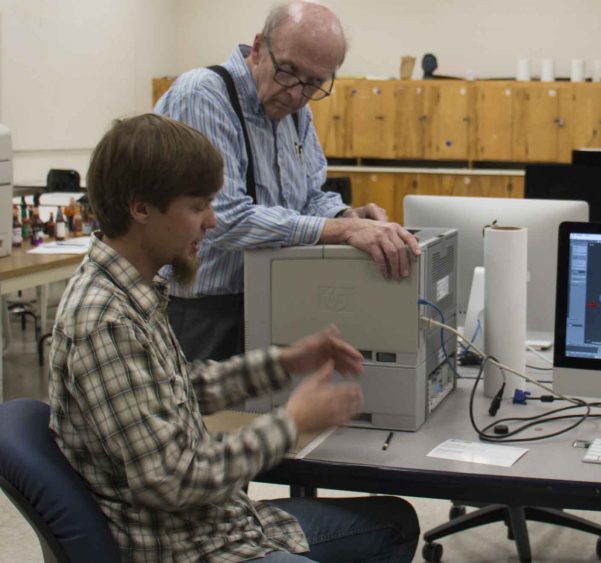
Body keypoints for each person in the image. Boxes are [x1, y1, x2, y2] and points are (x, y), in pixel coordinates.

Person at [49, 114, 419, 562]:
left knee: (394, 523)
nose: (213, 222)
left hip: (220, 523)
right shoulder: (105, 321)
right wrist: (291, 424)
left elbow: (182, 386)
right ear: (141, 208)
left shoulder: (132, 290)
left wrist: (285, 362)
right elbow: (173, 479)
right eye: (198, 206)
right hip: (188, 548)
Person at [154, 1, 420, 361]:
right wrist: (337, 231)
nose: (296, 93)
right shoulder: (204, 96)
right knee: (207, 416)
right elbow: (224, 220)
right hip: (203, 312)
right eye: (289, 72)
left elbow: (310, 195)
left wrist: (346, 216)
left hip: (269, 300)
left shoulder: (296, 114)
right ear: (260, 48)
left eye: (314, 82)